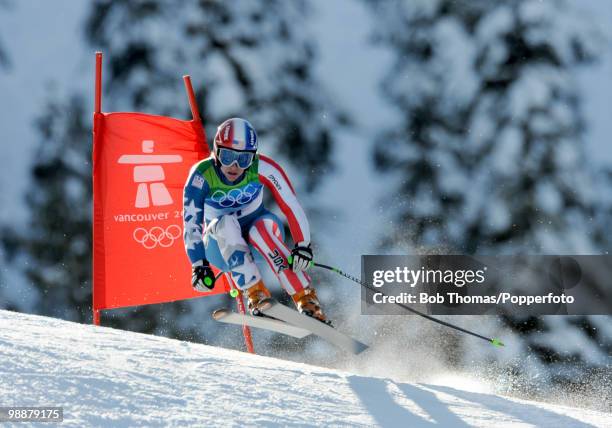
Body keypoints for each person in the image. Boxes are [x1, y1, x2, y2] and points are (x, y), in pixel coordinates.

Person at [182, 117, 328, 323]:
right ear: (216, 151)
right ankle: (255, 293)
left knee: (260, 229)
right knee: (226, 223)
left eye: (243, 159)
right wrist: (198, 264)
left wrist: (302, 245)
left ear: (253, 157)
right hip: (218, 246)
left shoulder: (263, 168)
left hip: (258, 239)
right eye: (227, 156)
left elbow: (290, 205)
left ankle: (306, 299)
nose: (234, 166)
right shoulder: (201, 176)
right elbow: (191, 225)